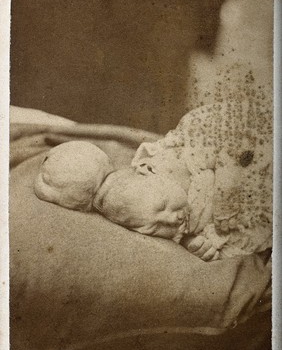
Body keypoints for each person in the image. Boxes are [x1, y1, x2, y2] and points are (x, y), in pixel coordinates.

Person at [34, 99, 272, 261]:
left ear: (148, 169)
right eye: (156, 227)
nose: (171, 219)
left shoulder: (178, 156)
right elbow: (200, 234)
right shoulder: (162, 215)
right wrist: (198, 244)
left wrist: (227, 194)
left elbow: (237, 140)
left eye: (163, 206)